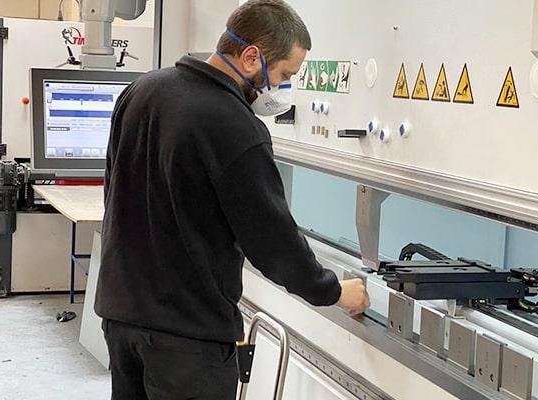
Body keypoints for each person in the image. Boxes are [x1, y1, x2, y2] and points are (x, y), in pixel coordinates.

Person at [95, 1, 370, 399]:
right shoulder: (236, 126)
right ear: (251, 56)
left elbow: (114, 189)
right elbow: (271, 240)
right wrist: (332, 290)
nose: (281, 87)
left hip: (121, 317)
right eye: (284, 74)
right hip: (188, 337)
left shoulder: (142, 90)